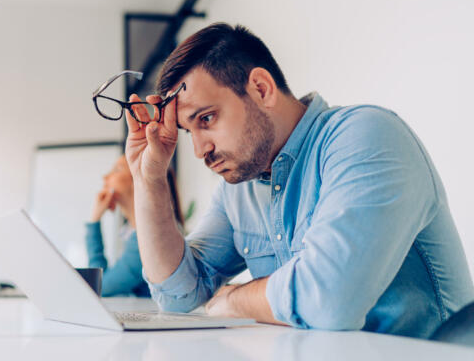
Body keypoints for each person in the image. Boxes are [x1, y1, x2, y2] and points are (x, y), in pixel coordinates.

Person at [123, 22, 474, 338]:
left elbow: (329, 299)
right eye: (188, 131)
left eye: (207, 119)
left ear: (261, 89)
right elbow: (178, 295)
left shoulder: (366, 135)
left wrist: (233, 298)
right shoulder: (239, 190)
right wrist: (149, 180)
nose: (200, 150)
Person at [85, 155, 184, 297]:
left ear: (138, 180)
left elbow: (100, 286)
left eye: (117, 169)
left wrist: (94, 221)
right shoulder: (133, 233)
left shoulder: (151, 237)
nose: (105, 177)